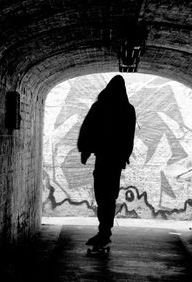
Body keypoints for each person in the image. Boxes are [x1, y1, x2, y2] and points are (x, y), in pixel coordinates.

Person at [77, 74, 136, 246]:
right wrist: (125, 155)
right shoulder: (128, 109)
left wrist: (85, 150)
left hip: (102, 158)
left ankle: (103, 230)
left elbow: (87, 128)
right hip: (116, 161)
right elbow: (129, 136)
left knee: (101, 194)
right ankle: (105, 230)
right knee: (110, 195)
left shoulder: (100, 106)